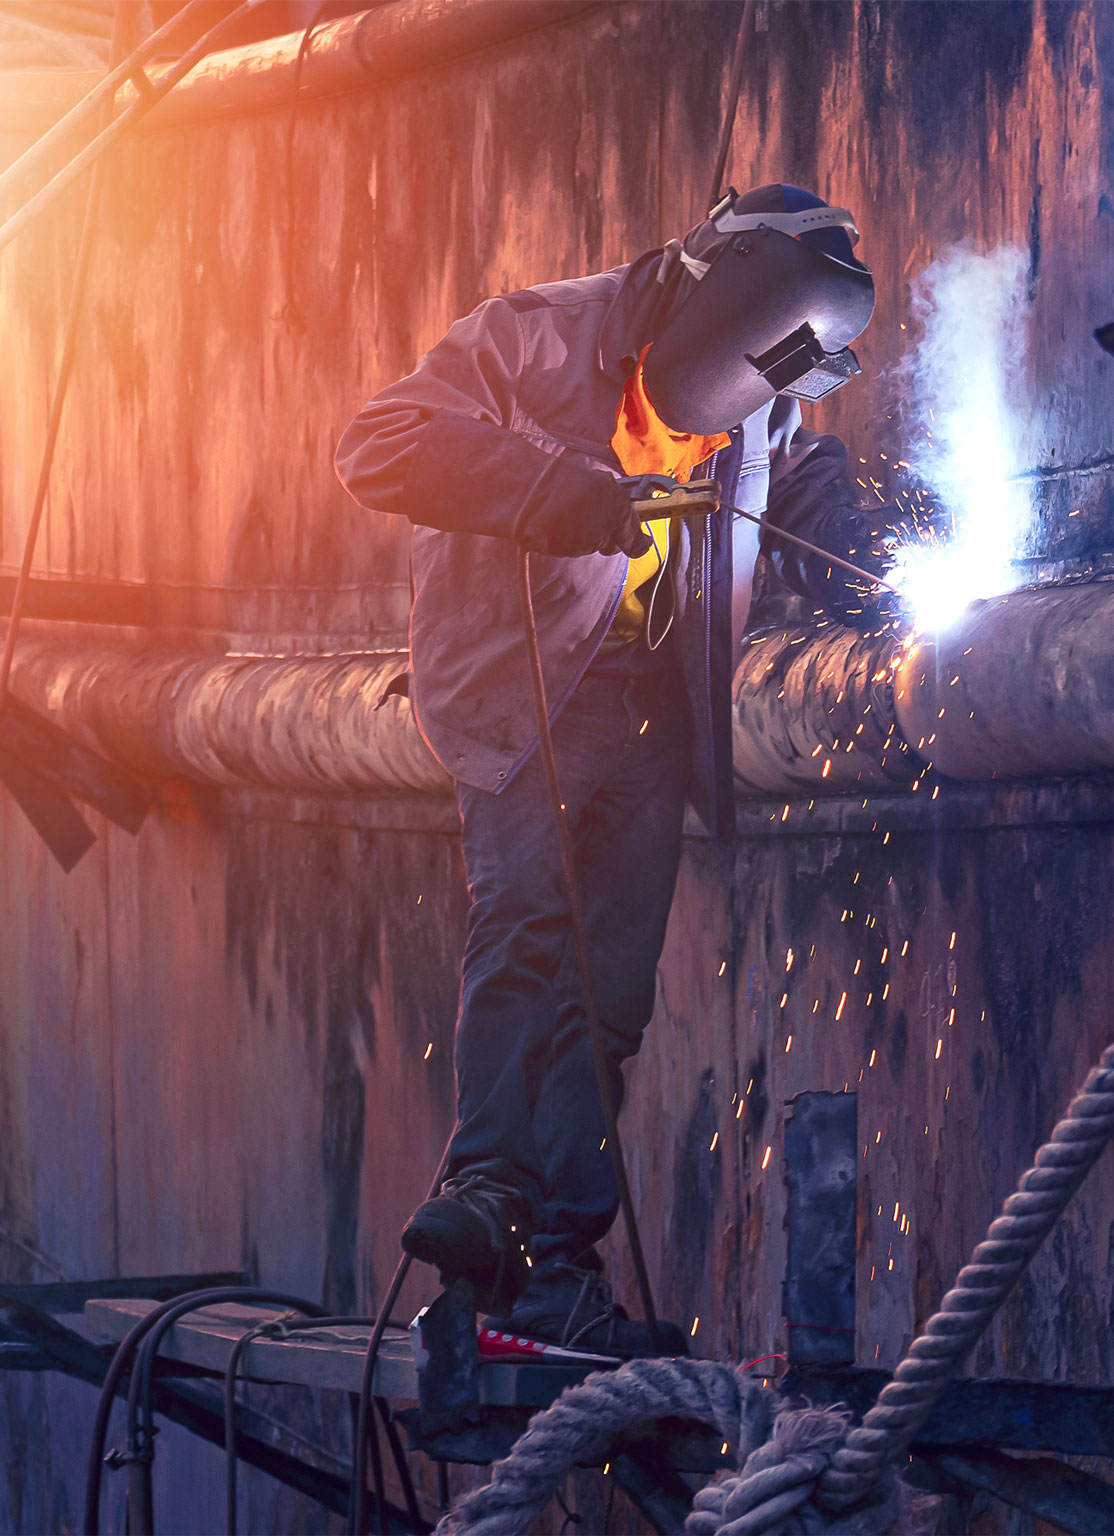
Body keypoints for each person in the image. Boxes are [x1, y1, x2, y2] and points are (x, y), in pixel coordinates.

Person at [334, 184, 879, 1357]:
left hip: (651, 701)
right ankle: (486, 1197)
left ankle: (558, 1267)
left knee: (606, 995)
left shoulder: (761, 389)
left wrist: (870, 544)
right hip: (525, 686)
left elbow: (802, 483)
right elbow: (376, 443)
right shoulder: (533, 336)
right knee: (530, 923)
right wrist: (556, 497)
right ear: (707, 298)